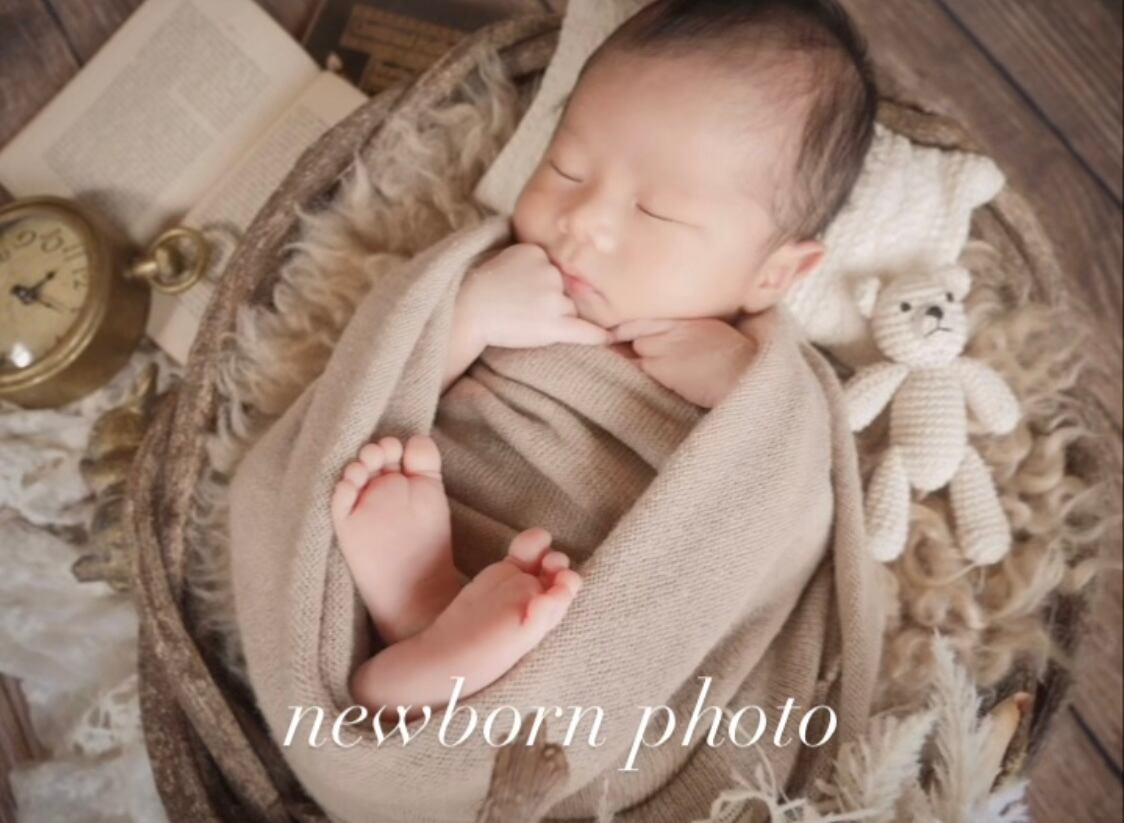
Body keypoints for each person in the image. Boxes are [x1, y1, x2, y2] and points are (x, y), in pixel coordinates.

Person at [331, 0, 877, 717]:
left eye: (655, 212)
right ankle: (422, 615)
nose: (582, 218)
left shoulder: (767, 384)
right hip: (448, 509)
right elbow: (368, 390)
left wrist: (746, 394)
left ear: (774, 274)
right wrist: (466, 318)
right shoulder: (498, 274)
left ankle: (431, 644)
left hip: (603, 614)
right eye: (566, 168)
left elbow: (791, 518)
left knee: (575, 669)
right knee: (372, 497)